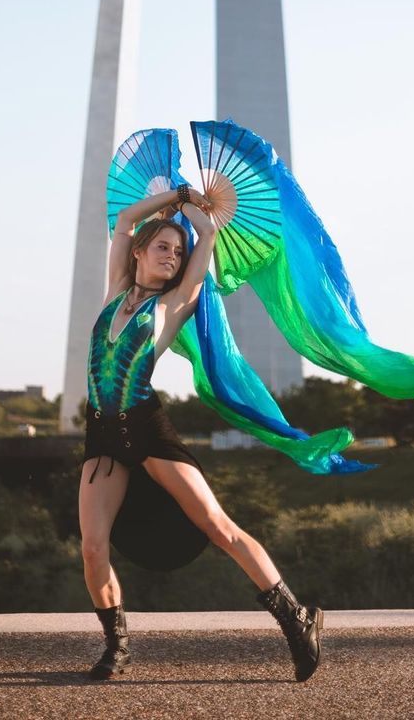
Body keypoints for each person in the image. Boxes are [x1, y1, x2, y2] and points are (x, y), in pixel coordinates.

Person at [79, 183, 324, 682]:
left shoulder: (172, 306)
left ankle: (297, 620)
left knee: (218, 525)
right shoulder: (113, 293)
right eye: (163, 247)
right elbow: (125, 220)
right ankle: (117, 647)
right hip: (102, 439)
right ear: (140, 252)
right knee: (92, 545)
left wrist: (193, 210)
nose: (172, 255)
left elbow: (207, 230)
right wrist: (173, 195)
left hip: (147, 428)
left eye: (178, 250)